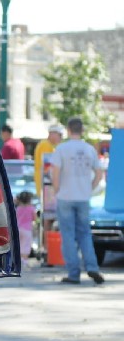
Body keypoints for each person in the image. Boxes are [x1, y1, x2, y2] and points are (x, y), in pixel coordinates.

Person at [50, 117, 105, 285]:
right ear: (82, 131)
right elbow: (99, 173)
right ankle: (92, 266)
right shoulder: (89, 149)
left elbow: (55, 171)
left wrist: (57, 188)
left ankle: (74, 273)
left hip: (65, 196)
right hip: (83, 196)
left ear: (67, 130)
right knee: (85, 234)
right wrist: (90, 187)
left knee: (68, 235)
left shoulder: (61, 149)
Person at [15, 191, 36, 266]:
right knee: (26, 245)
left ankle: (20, 260)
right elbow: (34, 218)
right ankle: (25, 260)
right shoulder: (31, 208)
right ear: (30, 200)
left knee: (19, 245)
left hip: (18, 229)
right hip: (27, 229)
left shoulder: (18, 208)